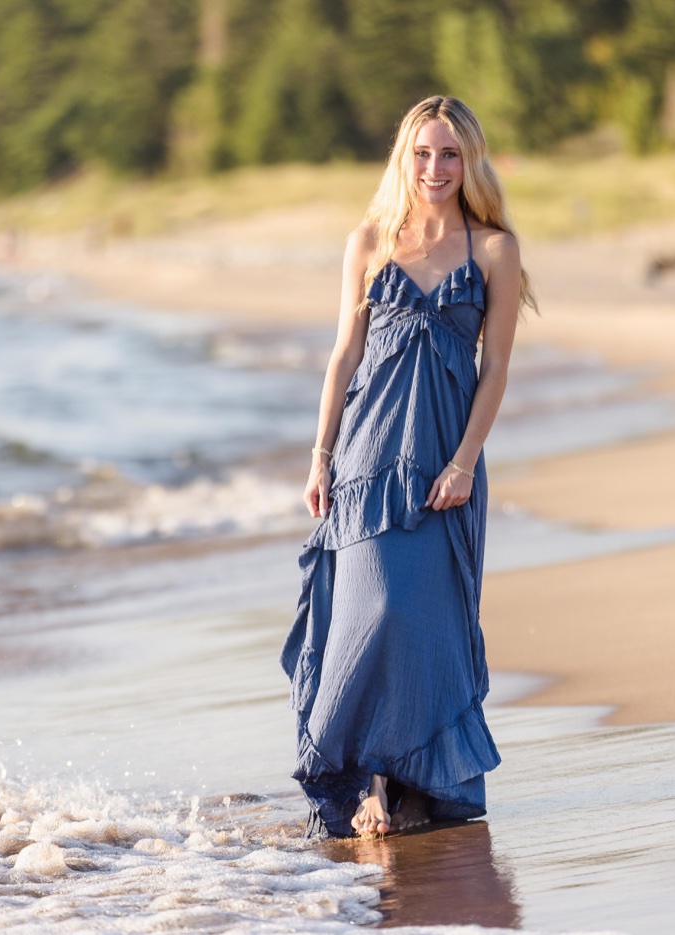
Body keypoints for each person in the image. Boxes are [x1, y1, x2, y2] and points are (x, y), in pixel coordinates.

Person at [281, 95, 533, 839]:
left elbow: (496, 373)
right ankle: (364, 779)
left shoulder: (494, 250)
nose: (435, 168)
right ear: (403, 157)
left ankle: (413, 784)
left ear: (471, 160)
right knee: (370, 611)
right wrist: (321, 453)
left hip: (443, 465)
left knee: (428, 623)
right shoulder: (369, 242)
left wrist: (464, 462)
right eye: (422, 153)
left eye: (450, 154)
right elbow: (344, 356)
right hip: (366, 459)